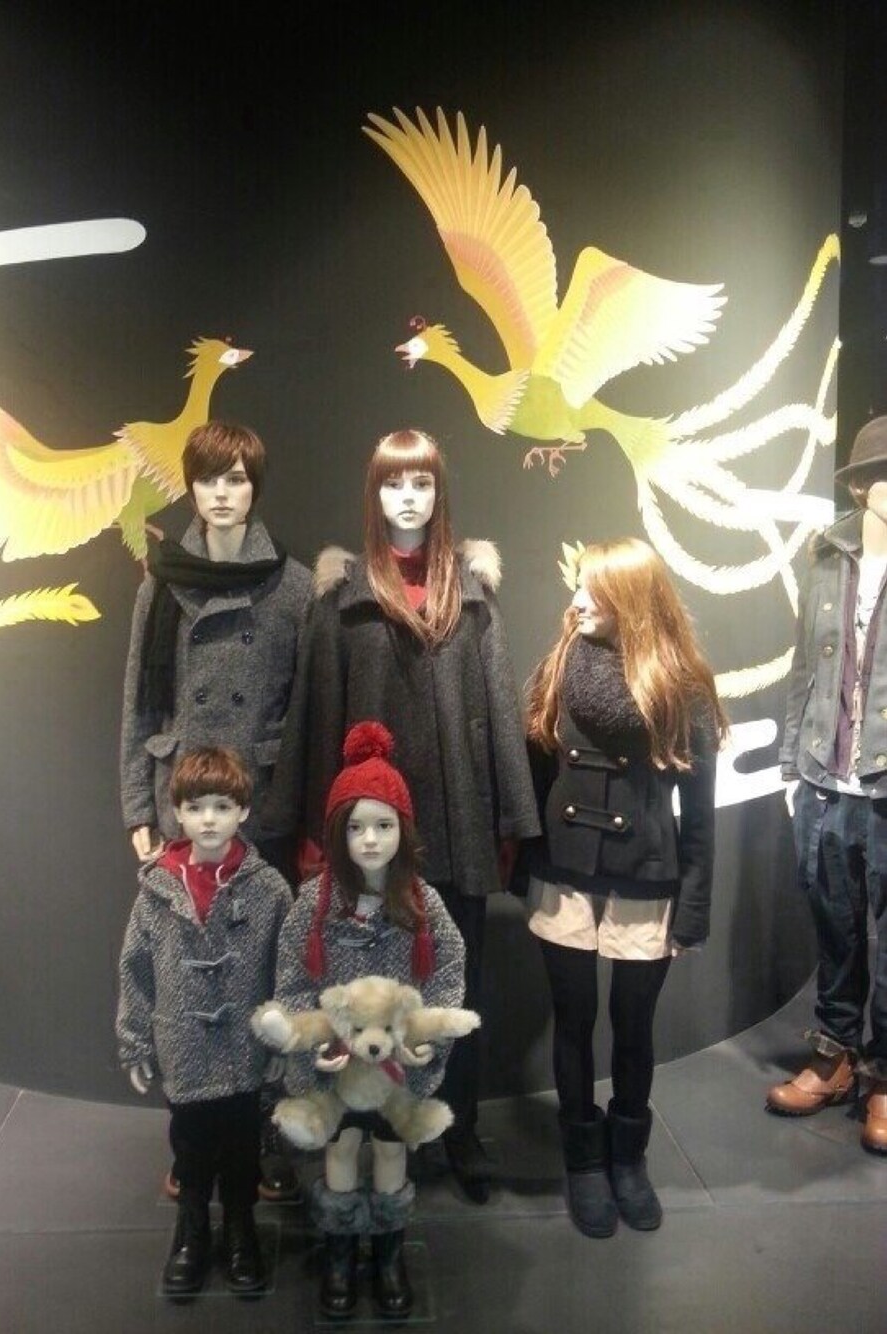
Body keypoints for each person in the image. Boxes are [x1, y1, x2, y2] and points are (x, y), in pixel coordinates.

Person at [262, 428, 539, 1203]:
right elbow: (316, 717)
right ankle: (373, 1128)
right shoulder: (343, 600)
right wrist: (313, 831)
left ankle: (458, 1125)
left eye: (421, 483)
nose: (408, 498)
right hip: (369, 833)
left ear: (439, 492)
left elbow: (499, 709)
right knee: (368, 988)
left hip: (456, 820)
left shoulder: (471, 595)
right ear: (374, 493)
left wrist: (512, 820)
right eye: (393, 483)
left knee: (457, 985)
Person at [119, 419, 310, 1201]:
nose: (222, 494)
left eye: (236, 479)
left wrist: (295, 804)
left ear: (254, 487)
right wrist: (137, 799)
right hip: (183, 801)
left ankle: (262, 1134)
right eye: (209, 479)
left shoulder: (292, 586)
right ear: (191, 487)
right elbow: (139, 700)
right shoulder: (161, 582)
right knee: (186, 981)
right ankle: (193, 1140)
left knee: (265, 973)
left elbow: (305, 710)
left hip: (260, 805)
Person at [522, 537, 725, 1236]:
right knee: (573, 1019)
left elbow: (699, 813)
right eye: (579, 585)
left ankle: (628, 1157)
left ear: (632, 601)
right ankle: (583, 1159)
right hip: (566, 872)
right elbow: (535, 777)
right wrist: (525, 863)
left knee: (634, 1025)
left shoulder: (681, 684)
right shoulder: (558, 665)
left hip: (645, 875)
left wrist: (692, 909)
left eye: (595, 590)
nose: (577, 600)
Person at [271, 721, 466, 1318]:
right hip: (337, 1066)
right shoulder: (313, 905)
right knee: (341, 1145)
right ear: (338, 833)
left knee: (388, 1149)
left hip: (396, 1069)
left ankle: (387, 1251)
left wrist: (426, 1041)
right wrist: (314, 1046)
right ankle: (339, 1249)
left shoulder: (423, 904)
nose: (371, 840)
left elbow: (447, 973)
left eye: (383, 826)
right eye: (356, 828)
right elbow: (292, 984)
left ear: (403, 830)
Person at [116, 746, 293, 1297]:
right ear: (177, 813)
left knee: (241, 1145)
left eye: (222, 806)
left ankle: (240, 1228)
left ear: (244, 810)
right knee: (190, 1144)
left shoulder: (269, 890)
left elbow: (287, 971)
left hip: (245, 1047)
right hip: (183, 1043)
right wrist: (134, 1040)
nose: (209, 820)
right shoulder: (157, 889)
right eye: (195, 808)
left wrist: (284, 1041)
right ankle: (190, 1230)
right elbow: (135, 967)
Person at [768, 415, 887, 1155]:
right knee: (835, 929)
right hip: (825, 780)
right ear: (864, 486)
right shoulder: (827, 554)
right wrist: (792, 766)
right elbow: (804, 667)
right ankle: (837, 1055)